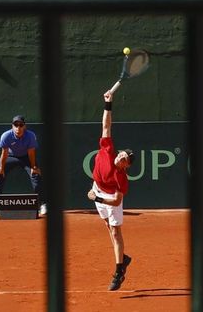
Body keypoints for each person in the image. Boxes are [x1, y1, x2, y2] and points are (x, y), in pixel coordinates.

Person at [87, 86, 134, 292]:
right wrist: (108, 102)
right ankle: (123, 257)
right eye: (122, 153)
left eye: (125, 158)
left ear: (126, 165)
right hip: (97, 189)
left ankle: (118, 271)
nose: (122, 155)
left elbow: (116, 201)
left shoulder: (121, 179)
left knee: (115, 233)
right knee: (108, 227)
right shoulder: (107, 149)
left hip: (107, 198)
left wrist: (96, 199)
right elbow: (106, 125)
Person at [0, 114, 43, 217]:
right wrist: (1, 168)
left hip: (26, 157)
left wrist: (34, 167)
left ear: (24, 126)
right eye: (16, 125)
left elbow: (31, 153)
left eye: (21, 125)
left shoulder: (30, 136)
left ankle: (42, 204)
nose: (18, 128)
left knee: (36, 174)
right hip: (10, 157)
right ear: (12, 126)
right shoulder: (6, 136)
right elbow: (4, 153)